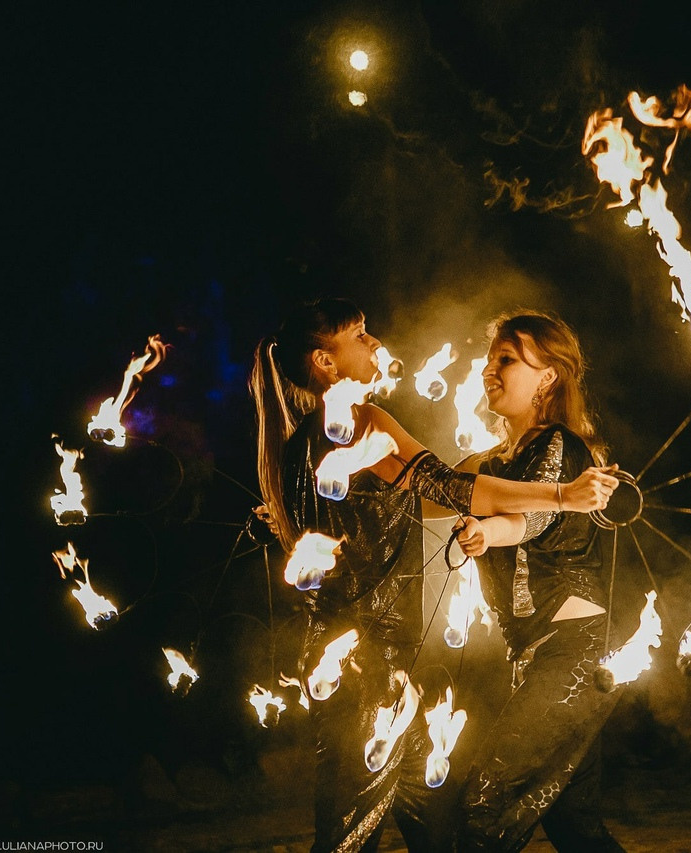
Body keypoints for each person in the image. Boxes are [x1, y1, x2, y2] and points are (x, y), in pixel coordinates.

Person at [249, 297, 619, 853]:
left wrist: (495, 520)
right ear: (326, 362)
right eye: (360, 336)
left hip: (385, 665)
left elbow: (440, 508)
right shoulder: (362, 421)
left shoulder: (297, 443)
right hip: (365, 666)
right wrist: (565, 494)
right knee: (353, 836)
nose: (376, 343)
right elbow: (452, 490)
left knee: (443, 819)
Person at [451, 311, 626, 852]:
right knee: (577, 829)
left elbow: (532, 517)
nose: (489, 370)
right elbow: (440, 491)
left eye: (506, 359)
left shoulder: (557, 445)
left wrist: (488, 531)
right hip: (540, 652)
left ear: (548, 377)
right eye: (489, 360)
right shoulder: (498, 459)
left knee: (484, 804)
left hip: (572, 649)